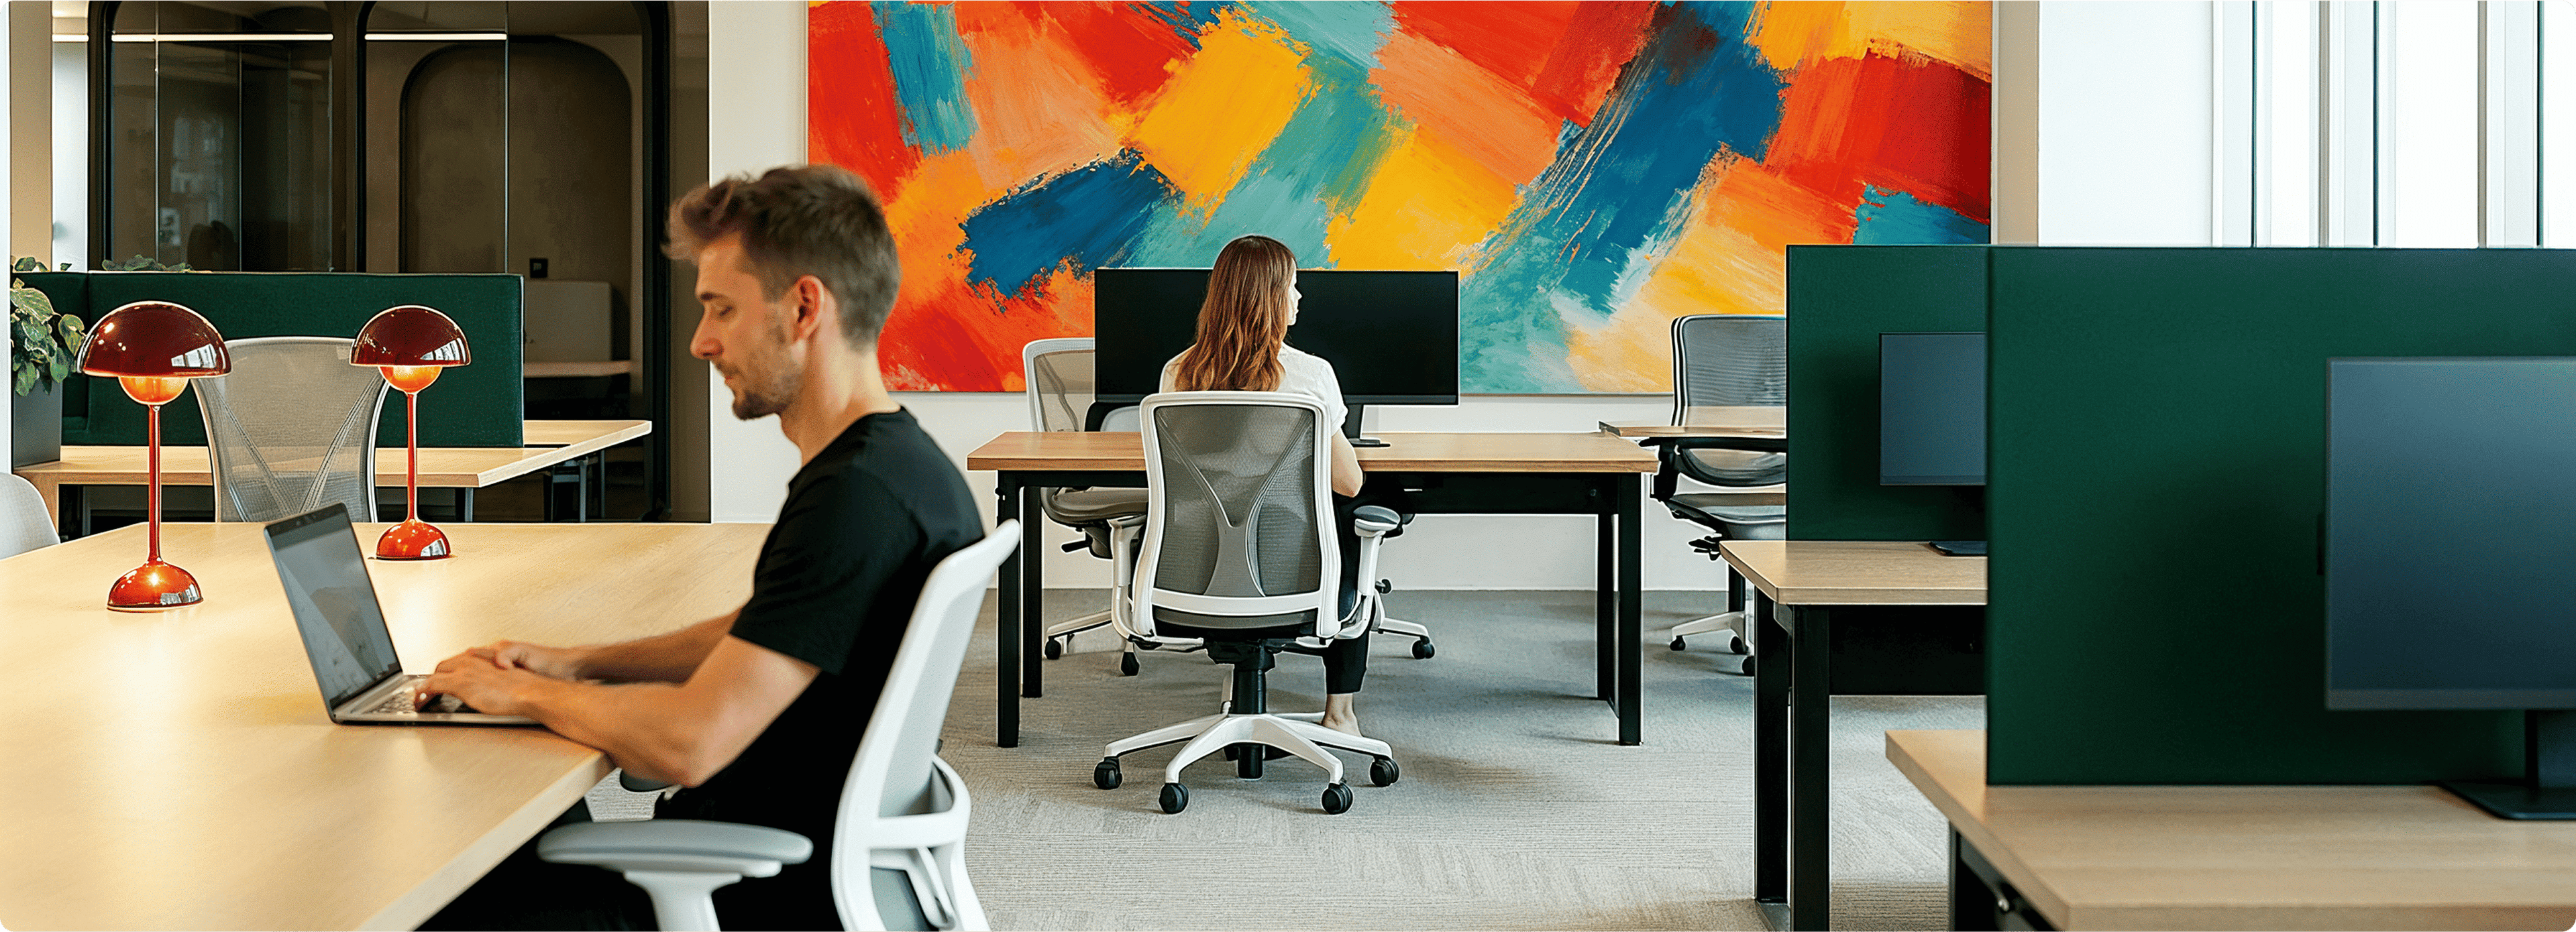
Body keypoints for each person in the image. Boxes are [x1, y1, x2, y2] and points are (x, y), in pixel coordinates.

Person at [415, 164, 982, 931]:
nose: (700, 341)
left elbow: (690, 742)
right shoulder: (899, 469)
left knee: (423, 880)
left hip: (744, 888)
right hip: (765, 854)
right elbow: (762, 630)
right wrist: (576, 662)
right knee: (490, 823)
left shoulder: (857, 500)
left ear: (803, 306)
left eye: (720, 309)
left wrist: (521, 693)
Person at [1160, 233, 1377, 738]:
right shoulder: (1310, 376)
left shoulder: (1177, 373)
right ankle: (1340, 713)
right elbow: (1348, 481)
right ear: (1272, 298)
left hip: (1198, 569)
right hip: (1289, 569)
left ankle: (1239, 690)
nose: (1300, 299)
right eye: (1294, 288)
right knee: (1348, 520)